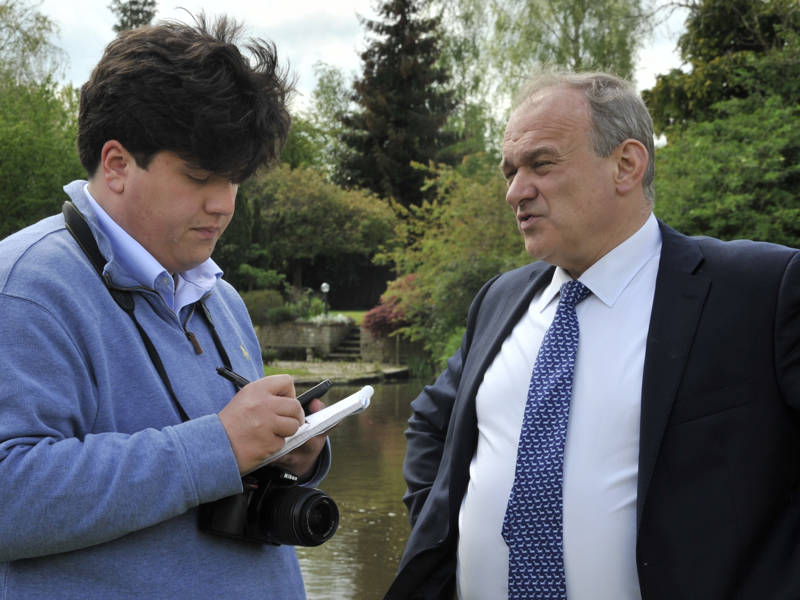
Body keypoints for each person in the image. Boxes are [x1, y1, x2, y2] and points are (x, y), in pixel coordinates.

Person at [385, 70, 800, 600]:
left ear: (626, 165)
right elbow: (431, 424)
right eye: (510, 171)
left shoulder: (761, 291)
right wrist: (442, 528)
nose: (516, 191)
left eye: (541, 164)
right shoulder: (499, 300)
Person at [0, 14, 330, 599]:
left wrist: (286, 451)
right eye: (200, 176)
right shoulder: (25, 286)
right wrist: (218, 446)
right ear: (117, 164)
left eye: (234, 180)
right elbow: (10, 497)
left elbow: (227, 468)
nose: (223, 204)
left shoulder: (219, 297)